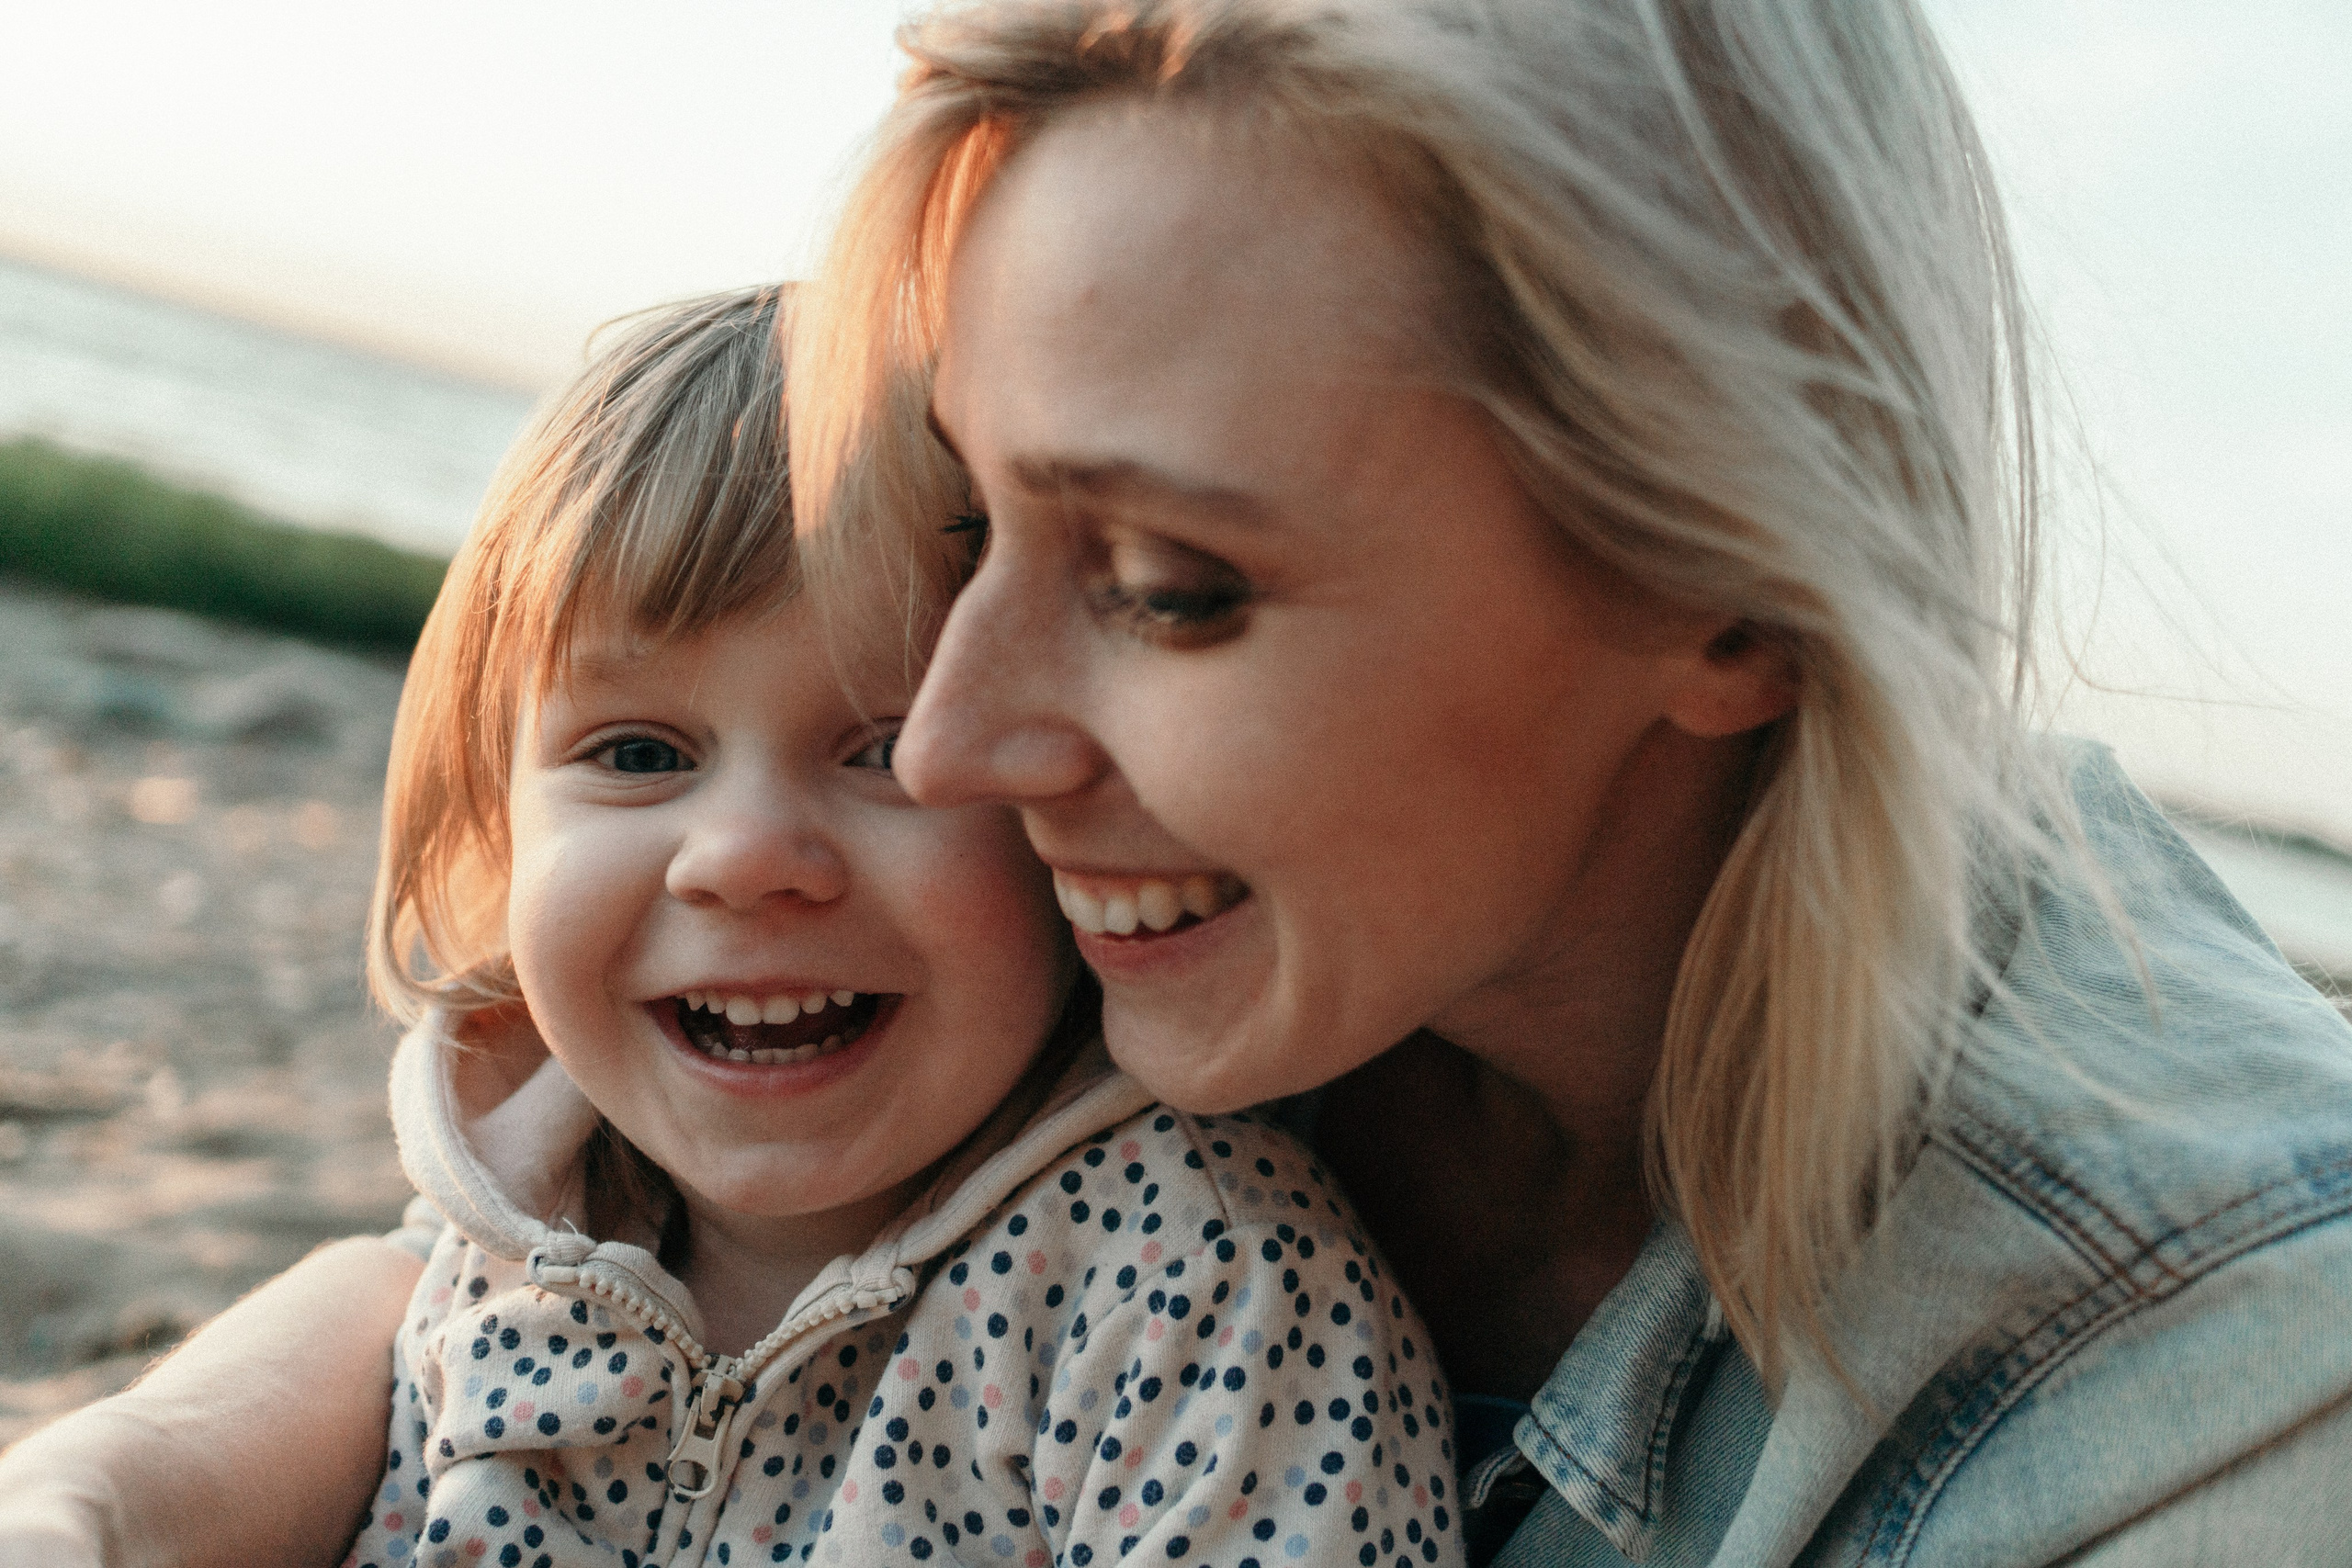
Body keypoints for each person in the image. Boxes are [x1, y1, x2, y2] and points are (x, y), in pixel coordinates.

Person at [8, 1, 2352, 1563]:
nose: (950, 741)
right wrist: (107, 1482)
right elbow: (504, 1273)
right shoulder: (1240, 927)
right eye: (984, 526)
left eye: (1164, 580)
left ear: (1726, 597)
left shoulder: (2199, 1419)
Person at [0, 287, 1466, 1568]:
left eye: (883, 750)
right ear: (502, 826)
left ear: (1068, 817)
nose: (747, 860)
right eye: (639, 754)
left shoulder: (1189, 1300)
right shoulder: (518, 1226)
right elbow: (195, 1456)